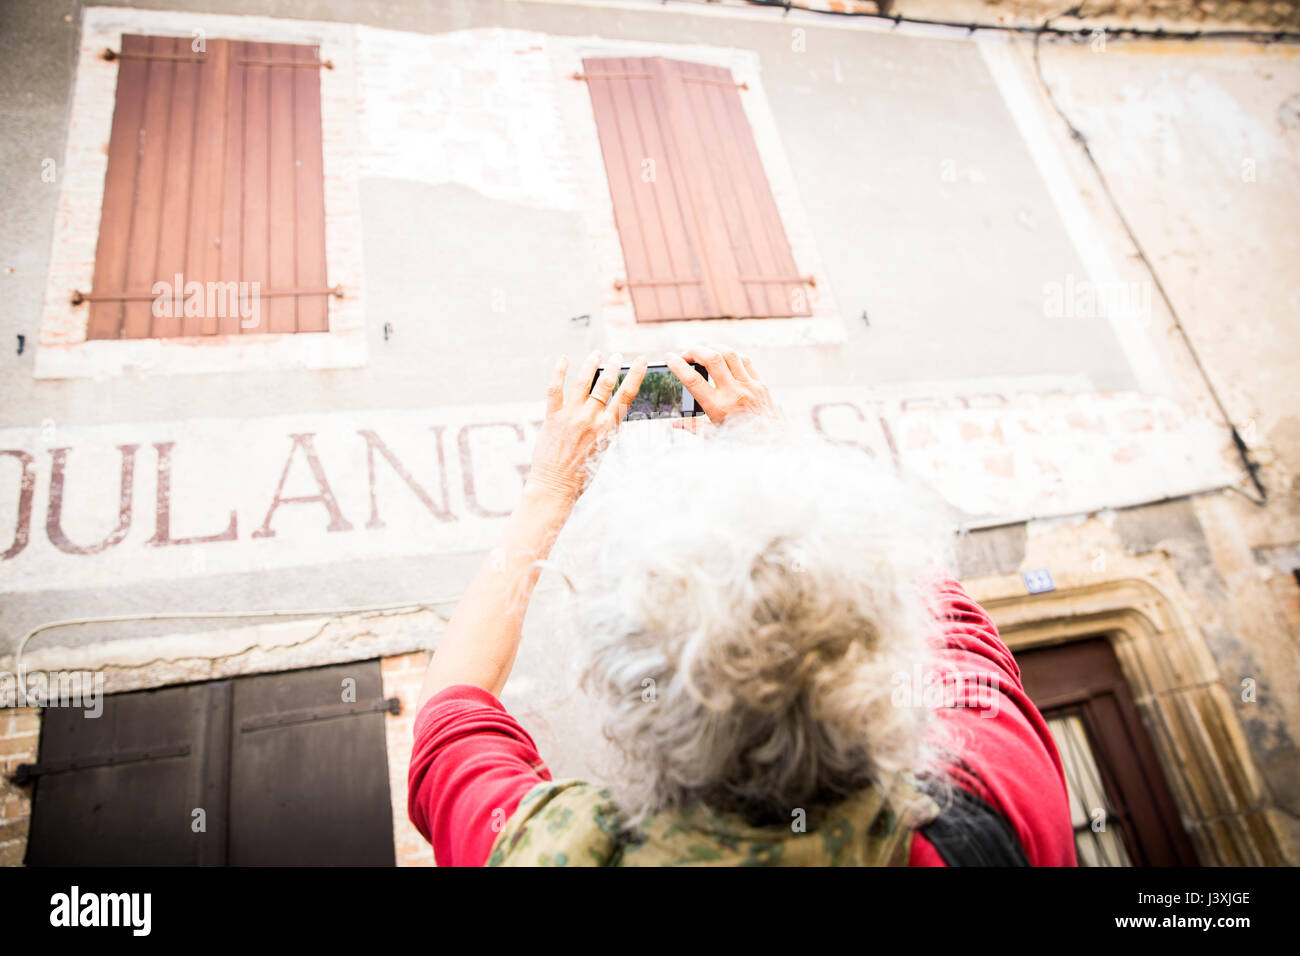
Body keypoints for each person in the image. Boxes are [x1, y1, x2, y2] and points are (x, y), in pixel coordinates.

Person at [407, 347, 1077, 866]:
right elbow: (924, 599)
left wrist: (550, 487)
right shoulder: (995, 783)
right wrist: (768, 445)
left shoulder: (543, 848)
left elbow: (451, 707)